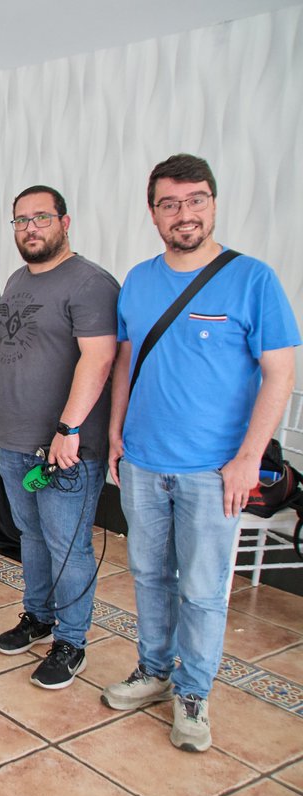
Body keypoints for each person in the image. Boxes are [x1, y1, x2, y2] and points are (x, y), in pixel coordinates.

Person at [103, 154, 299, 751]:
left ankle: (193, 692)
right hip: (142, 461)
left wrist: (248, 459)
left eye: (195, 200)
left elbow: (280, 374)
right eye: (170, 203)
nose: (183, 213)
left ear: (212, 204)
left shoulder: (253, 279)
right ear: (153, 213)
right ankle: (154, 670)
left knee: (203, 588)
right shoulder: (138, 280)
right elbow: (125, 361)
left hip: (214, 472)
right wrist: (115, 433)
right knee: (148, 575)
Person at [0, 185, 118, 690]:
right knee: (32, 536)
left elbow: (100, 359)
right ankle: (39, 616)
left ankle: (71, 640)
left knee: (68, 546)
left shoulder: (90, 283)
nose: (30, 228)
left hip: (65, 447)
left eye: (41, 217)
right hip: (15, 440)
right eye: (21, 220)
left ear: (65, 223)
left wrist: (69, 428)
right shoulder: (17, 279)